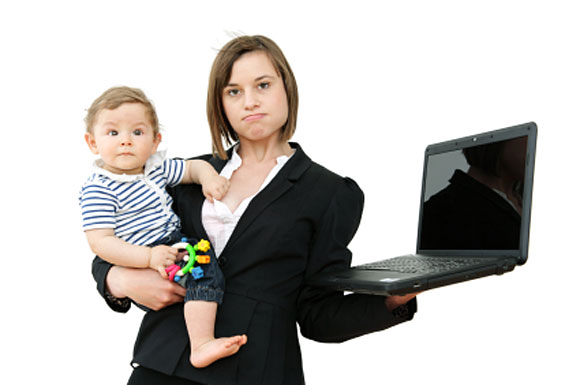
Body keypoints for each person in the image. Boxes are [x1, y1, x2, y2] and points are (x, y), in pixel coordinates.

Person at [92, 36, 419, 385]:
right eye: (233, 91)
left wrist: (393, 299)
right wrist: (120, 280)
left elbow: (317, 313)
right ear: (220, 103)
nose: (250, 101)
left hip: (257, 371)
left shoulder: (330, 192)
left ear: (286, 89)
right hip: (164, 366)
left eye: (263, 85)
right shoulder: (186, 173)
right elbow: (112, 242)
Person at [80, 86, 247, 369]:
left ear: (155, 140)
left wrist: (208, 179)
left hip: (173, 245)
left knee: (204, 268)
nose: (125, 142)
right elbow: (100, 243)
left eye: (137, 132)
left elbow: (193, 168)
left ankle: (199, 340)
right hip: (144, 257)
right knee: (205, 272)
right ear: (93, 143)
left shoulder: (155, 168)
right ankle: (202, 342)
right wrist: (147, 258)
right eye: (113, 133)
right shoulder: (99, 189)